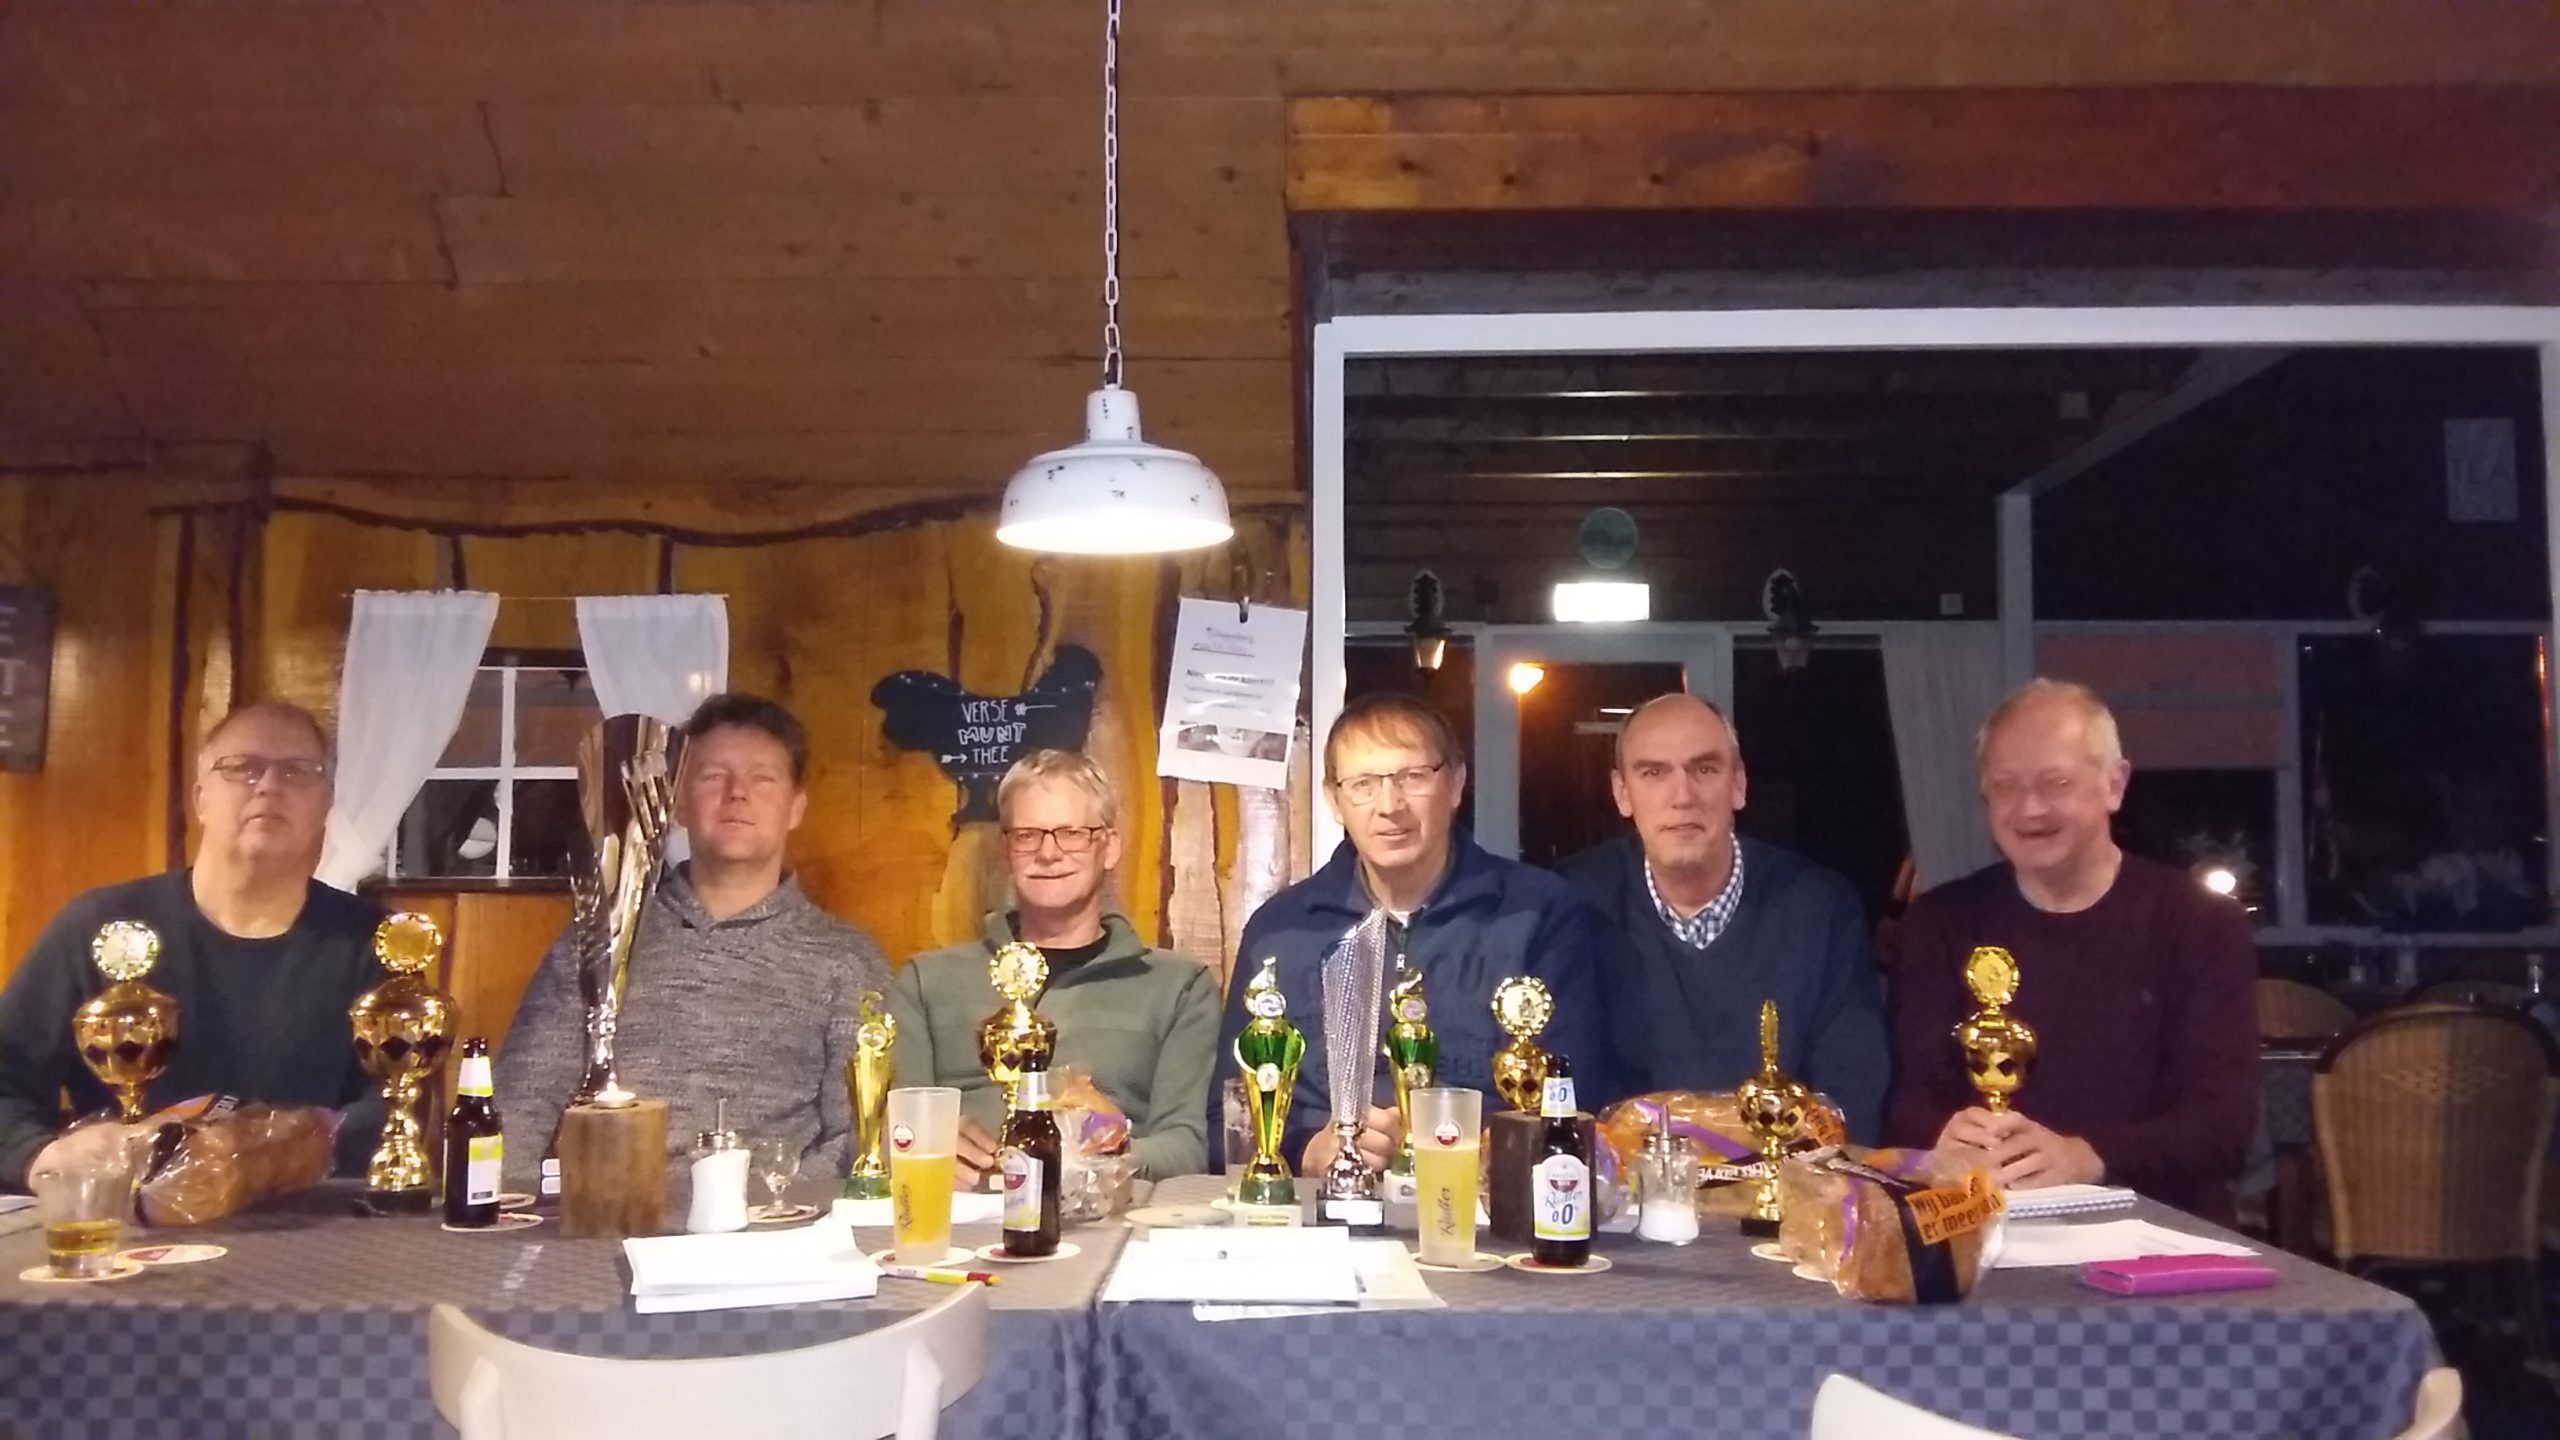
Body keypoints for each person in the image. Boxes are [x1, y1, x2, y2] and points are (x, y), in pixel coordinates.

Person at [1885, 679, 2258, 1219]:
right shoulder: (1941, 923)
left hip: (2158, 1233)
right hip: (1987, 1231)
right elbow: (1906, 1104)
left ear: (2115, 785)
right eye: (2005, 786)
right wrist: (1943, 1136)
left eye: (2055, 783)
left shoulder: (2201, 925)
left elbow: (2224, 1127)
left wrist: (2088, 1157)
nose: (2029, 808)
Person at [1213, 693, 1620, 1177]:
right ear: (1334, 801)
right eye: (1363, 784)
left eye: (1413, 777)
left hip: (1484, 1206)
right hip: (1319, 1210)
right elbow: (1224, 1119)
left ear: (1456, 784)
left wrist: (1448, 1145)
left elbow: (1580, 1098)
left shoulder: (1540, 914)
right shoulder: (1279, 931)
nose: (1390, 806)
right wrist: (1308, 1152)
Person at [496, 693, 888, 1183]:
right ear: (677, 803)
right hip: (606, 1212)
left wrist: (779, 1205)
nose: (737, 794)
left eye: (763, 778)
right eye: (713, 776)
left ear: (795, 808)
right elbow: (522, 1102)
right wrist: (508, 1208)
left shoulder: (846, 959)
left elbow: (856, 1139)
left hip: (772, 1219)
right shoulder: (597, 938)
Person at [0, 701, 383, 1191]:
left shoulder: (372, 940)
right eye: (243, 767)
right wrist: (42, 1157)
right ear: (201, 799)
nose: (269, 785)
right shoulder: (99, 926)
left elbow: (393, 1105)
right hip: (122, 1218)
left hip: (310, 1216)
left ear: (326, 803)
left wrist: (263, 1157)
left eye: (297, 771)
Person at [1558, 693, 1888, 1139]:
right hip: (1623, 1178)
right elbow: (1568, 1092)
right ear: (1622, 793)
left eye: (1704, 770)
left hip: (1783, 1177)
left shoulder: (1822, 910)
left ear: (1738, 785)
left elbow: (1853, 1096)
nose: (1682, 797)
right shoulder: (1573, 904)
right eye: (1654, 773)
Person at [890, 750, 1219, 1185]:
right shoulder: (926, 983)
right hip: (961, 1209)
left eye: (1071, 833)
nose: (1048, 853)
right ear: (1006, 850)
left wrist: (1108, 1146)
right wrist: (923, 1146)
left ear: (1110, 847)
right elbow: (888, 1130)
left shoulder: (1178, 987)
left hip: (1108, 1210)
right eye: (1027, 835)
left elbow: (1188, 1148)